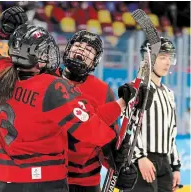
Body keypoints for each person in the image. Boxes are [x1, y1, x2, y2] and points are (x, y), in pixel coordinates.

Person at [0, 7, 144, 192]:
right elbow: (90, 128)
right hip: (45, 182)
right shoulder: (52, 87)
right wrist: (116, 149)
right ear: (37, 58)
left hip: (0, 180)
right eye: (46, 52)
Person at [58, 30, 154, 192]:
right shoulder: (48, 79)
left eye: (89, 50)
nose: (82, 50)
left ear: (95, 60)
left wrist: (119, 168)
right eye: (78, 45)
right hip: (50, 178)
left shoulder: (102, 91)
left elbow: (108, 143)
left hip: (86, 182)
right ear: (68, 49)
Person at [119, 37, 181, 192]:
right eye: (162, 57)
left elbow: (171, 131)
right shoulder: (136, 88)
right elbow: (128, 125)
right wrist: (139, 157)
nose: (167, 62)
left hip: (164, 164)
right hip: (143, 161)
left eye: (169, 58)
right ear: (148, 59)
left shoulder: (169, 93)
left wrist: (175, 166)